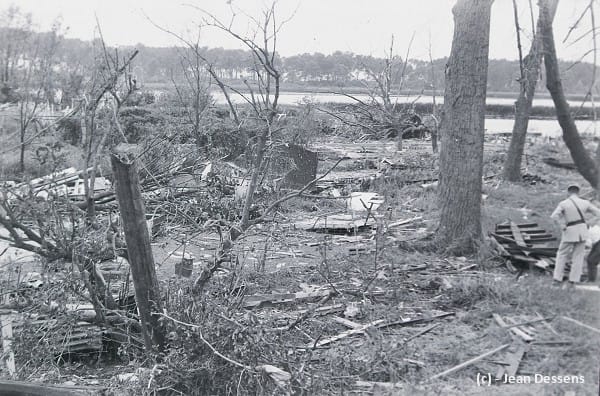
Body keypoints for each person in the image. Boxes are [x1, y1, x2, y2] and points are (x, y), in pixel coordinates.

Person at [551, 184, 600, 286]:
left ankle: (557, 279)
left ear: (568, 192)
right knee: (578, 256)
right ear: (578, 192)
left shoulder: (564, 203)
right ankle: (573, 280)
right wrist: (590, 222)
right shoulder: (585, 203)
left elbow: (554, 216)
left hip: (569, 230)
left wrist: (562, 225)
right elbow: (598, 213)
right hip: (582, 231)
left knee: (562, 254)